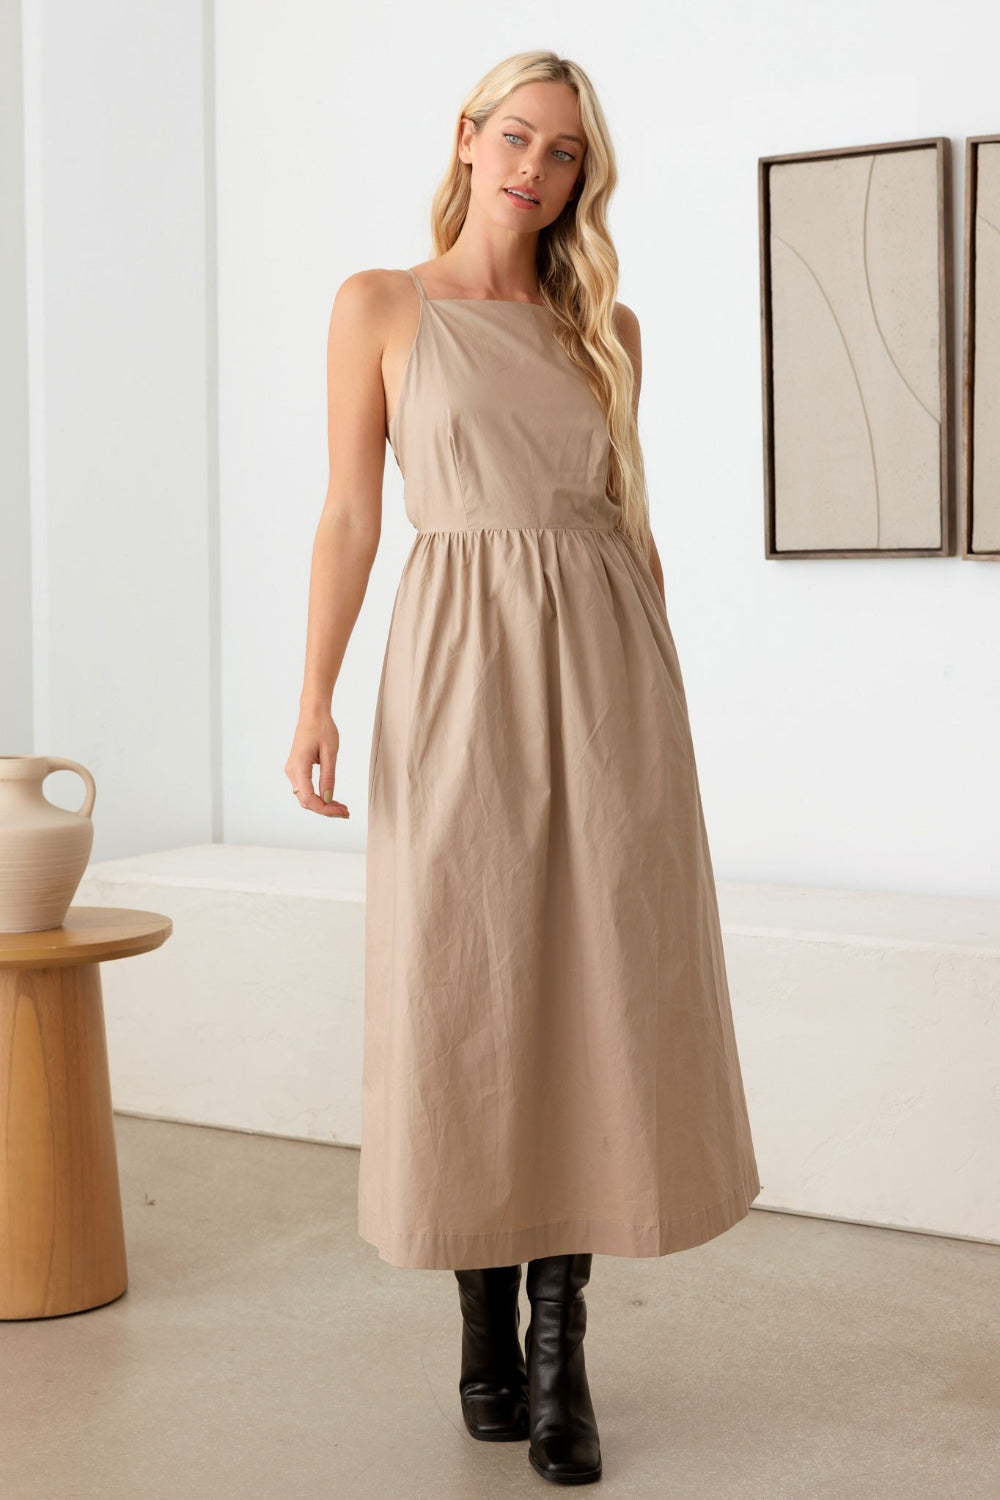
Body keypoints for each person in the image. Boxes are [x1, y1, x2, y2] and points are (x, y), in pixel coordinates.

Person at [285, 48, 761, 1488]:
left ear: (580, 177)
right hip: (454, 671)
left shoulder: (601, 321)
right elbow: (353, 519)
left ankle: (560, 1360)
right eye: (517, 137)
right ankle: (479, 1328)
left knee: (588, 997)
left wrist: (664, 697)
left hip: (607, 684)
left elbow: (632, 520)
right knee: (466, 987)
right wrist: (312, 695)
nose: (535, 170)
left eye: (563, 154)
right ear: (469, 137)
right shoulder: (381, 307)